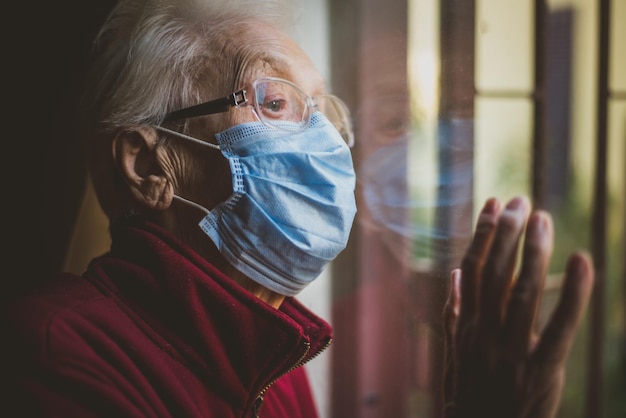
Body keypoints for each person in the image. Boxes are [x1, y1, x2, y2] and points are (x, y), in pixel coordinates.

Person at [4, 0, 594, 417]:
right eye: (277, 102)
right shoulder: (55, 360)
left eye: (327, 113)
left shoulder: (277, 372)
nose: (328, 143)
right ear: (149, 167)